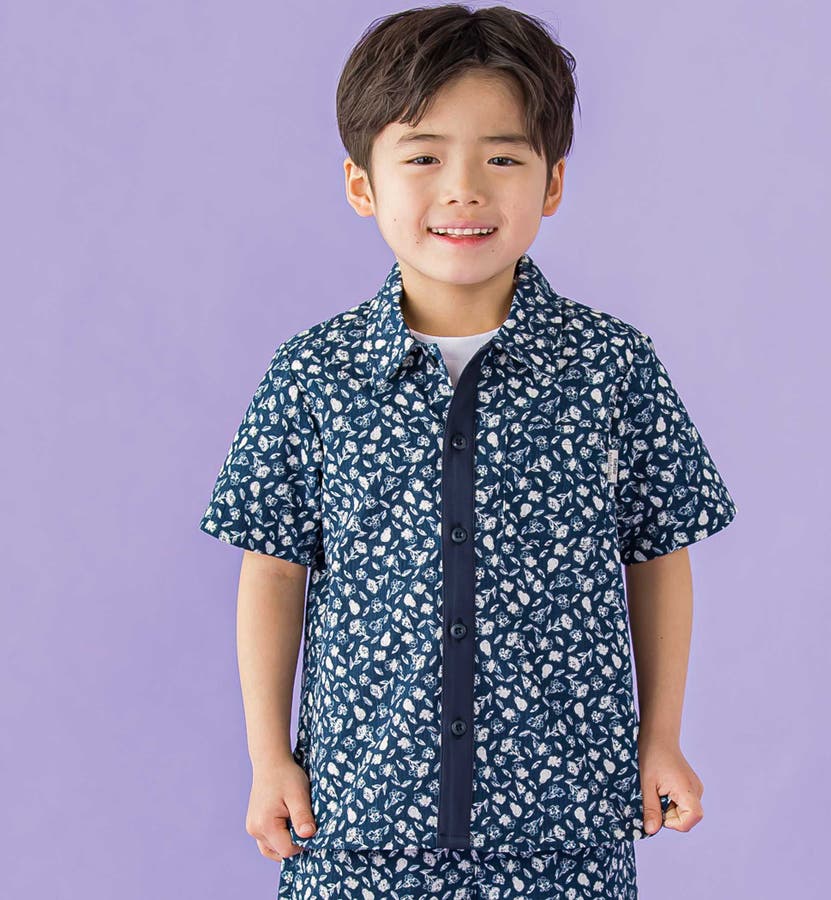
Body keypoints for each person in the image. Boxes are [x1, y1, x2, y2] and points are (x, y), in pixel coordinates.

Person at [199, 5, 738, 898]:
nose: (463, 190)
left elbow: (657, 552)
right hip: (358, 821)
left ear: (552, 183)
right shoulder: (314, 373)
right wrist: (269, 759)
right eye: (423, 158)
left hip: (565, 826)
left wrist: (661, 738)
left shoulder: (611, 366)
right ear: (362, 184)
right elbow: (273, 569)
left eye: (502, 158)